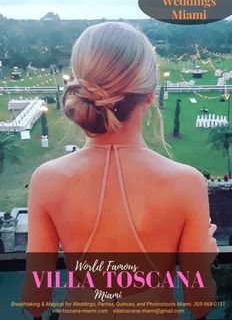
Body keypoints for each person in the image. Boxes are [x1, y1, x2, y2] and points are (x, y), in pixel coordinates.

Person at [24, 22, 217, 319]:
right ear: (150, 95)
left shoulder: (47, 180)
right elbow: (199, 305)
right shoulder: (186, 183)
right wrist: (203, 256)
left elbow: (34, 303)